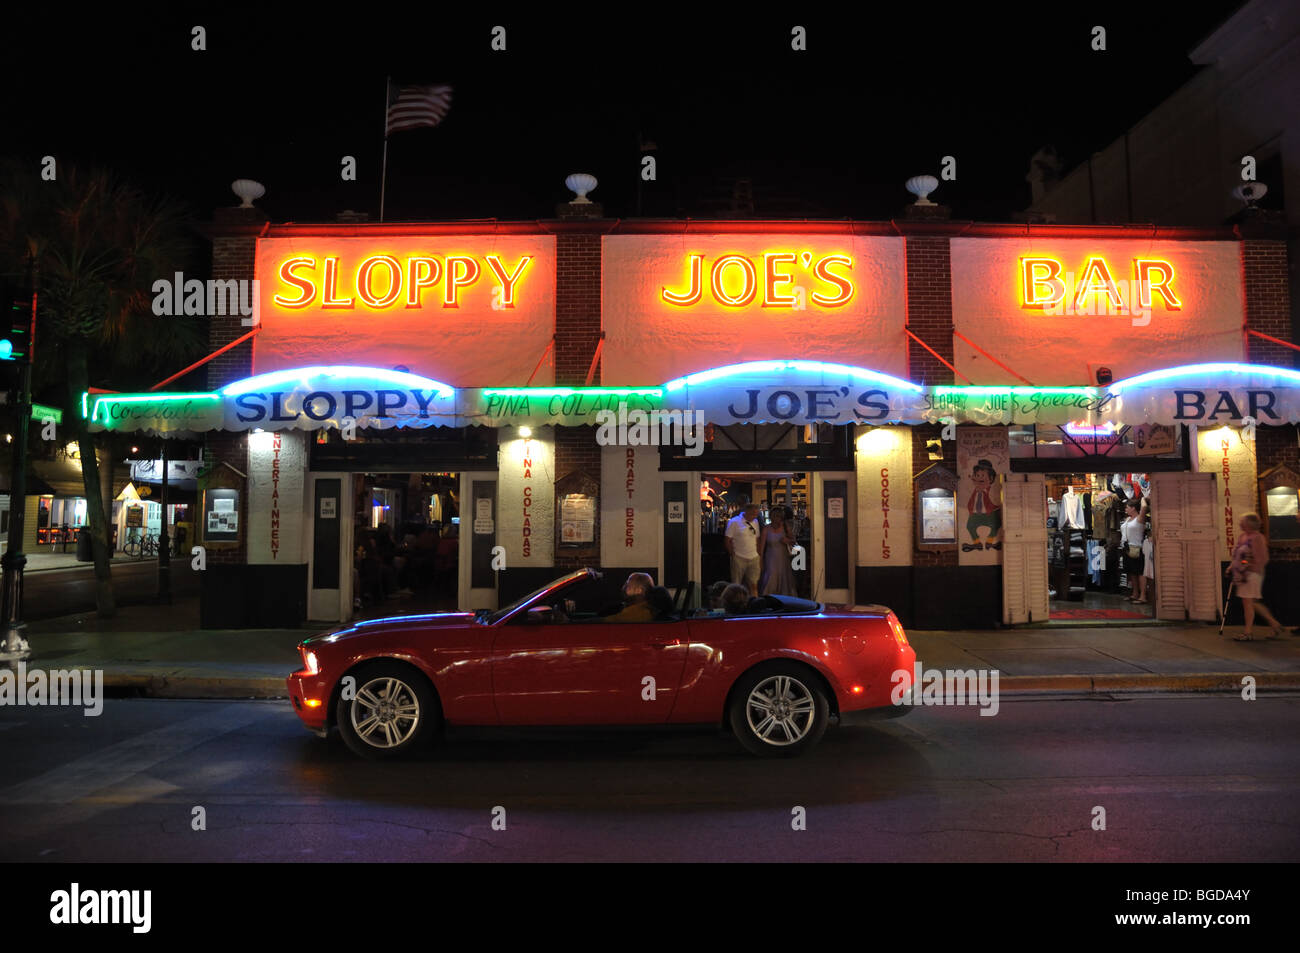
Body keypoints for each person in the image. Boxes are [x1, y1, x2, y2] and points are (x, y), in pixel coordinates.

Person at [1226, 512, 1295, 641]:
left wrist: (1246, 566)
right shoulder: (1243, 536)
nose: (1240, 523)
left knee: (1248, 603)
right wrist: (1233, 566)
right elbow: (1239, 556)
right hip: (1243, 574)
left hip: (1252, 574)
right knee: (1252, 602)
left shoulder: (1257, 538)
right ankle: (1275, 625)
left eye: (1242, 521)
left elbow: (1262, 559)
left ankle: (1248, 633)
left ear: (1248, 524)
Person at [725, 501, 764, 596]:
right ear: (746, 512)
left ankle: (754, 602)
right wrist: (733, 554)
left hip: (754, 557)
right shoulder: (734, 522)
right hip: (739, 557)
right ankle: (737, 602)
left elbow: (757, 539)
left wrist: (759, 555)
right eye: (753, 514)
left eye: (756, 514)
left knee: (754, 585)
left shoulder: (755, 522)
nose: (755, 516)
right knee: (737, 585)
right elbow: (727, 540)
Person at [760, 505, 797, 596]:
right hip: (770, 558)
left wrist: (787, 541)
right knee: (771, 576)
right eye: (774, 516)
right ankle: (769, 597)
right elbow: (761, 548)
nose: (776, 519)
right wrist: (760, 561)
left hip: (783, 557)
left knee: (784, 577)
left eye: (779, 517)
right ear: (771, 517)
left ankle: (784, 598)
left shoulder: (785, 527)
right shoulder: (766, 529)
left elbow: (794, 542)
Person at [1121, 501, 1148, 604]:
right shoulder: (1128, 519)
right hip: (1127, 548)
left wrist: (1143, 498)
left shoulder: (1139, 519)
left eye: (1127, 507)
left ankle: (1143, 596)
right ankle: (1135, 593)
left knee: (1140, 572)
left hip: (1136, 547)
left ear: (1133, 508)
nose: (1125, 509)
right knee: (1132, 572)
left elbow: (1144, 507)